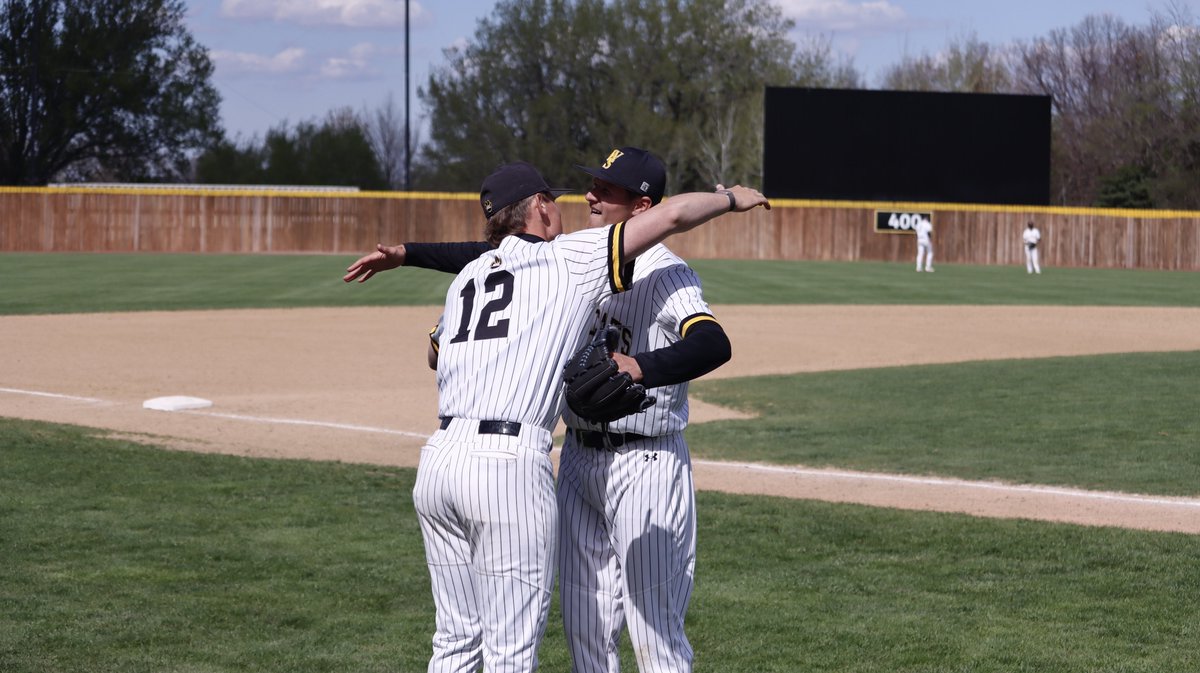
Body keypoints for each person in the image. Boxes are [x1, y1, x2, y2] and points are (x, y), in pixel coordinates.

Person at [359, 160, 768, 673]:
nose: (590, 197)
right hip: (551, 463)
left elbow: (712, 339)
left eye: (606, 189)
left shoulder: (636, 267)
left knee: (645, 632)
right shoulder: (568, 257)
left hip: (630, 458)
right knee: (578, 633)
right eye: (587, 187)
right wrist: (731, 197)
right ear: (539, 208)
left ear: (641, 206)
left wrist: (640, 366)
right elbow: (676, 213)